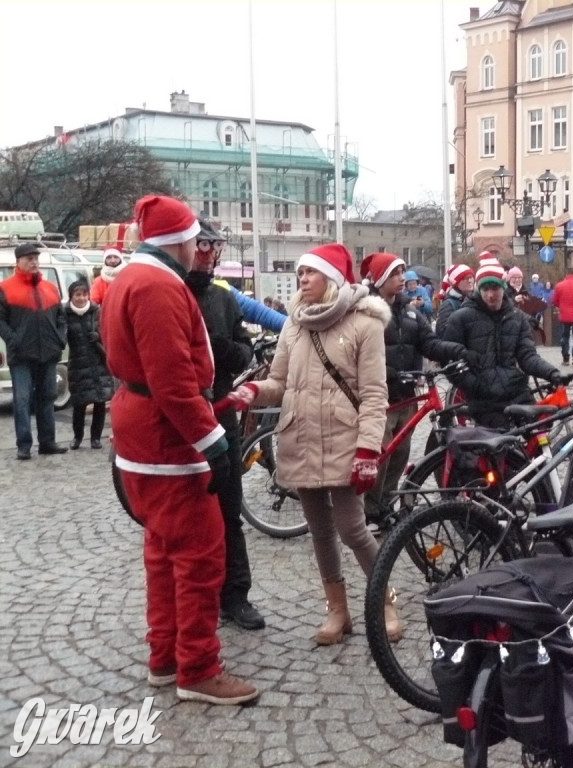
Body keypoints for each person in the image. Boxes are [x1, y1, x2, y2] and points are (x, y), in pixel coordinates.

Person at [102, 194, 258, 705]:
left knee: (162, 552)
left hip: (144, 434)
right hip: (167, 441)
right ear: (177, 241)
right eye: (195, 239)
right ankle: (197, 668)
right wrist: (212, 442)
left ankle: (164, 657)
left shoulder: (132, 277)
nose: (199, 249)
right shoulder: (157, 286)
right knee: (198, 556)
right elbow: (172, 383)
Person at [227, 244, 402, 644]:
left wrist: (368, 450)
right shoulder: (295, 323)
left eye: (310, 272)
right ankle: (336, 611)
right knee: (321, 532)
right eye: (300, 272)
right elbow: (280, 383)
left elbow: (375, 396)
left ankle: (386, 601)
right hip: (300, 436)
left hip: (345, 439)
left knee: (353, 529)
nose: (302, 279)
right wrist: (255, 390)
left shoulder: (365, 323)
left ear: (332, 278)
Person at [185, 220, 265, 631]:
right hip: (181, 415)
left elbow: (244, 348)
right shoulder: (170, 290)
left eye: (213, 247)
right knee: (186, 514)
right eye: (200, 246)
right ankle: (193, 599)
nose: (207, 254)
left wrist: (226, 350)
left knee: (229, 508)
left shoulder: (222, 295)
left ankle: (236, 596)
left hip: (220, 410)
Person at [360, 251, 466, 526]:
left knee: (400, 453)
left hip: (407, 393)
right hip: (379, 395)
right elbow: (359, 354)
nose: (401, 279)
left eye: (402, 273)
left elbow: (429, 342)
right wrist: (388, 373)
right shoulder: (365, 311)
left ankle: (385, 505)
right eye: (395, 274)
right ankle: (368, 510)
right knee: (380, 454)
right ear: (381, 278)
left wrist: (456, 351)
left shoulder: (410, 310)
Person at [442, 260, 562, 428]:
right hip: (485, 400)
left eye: (495, 288)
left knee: (540, 433)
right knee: (503, 448)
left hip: (517, 392)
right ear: (478, 289)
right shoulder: (461, 318)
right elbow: (450, 363)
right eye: (485, 289)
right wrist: (476, 386)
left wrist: (552, 373)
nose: (490, 295)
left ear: (504, 287)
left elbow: (527, 356)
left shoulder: (517, 317)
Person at [0, 242, 68, 460]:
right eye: (29, 258)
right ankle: (24, 445)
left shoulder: (50, 288)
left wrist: (60, 339)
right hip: (21, 355)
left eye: (36, 258)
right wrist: (13, 341)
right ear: (18, 262)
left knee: (47, 397)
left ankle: (47, 442)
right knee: (22, 400)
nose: (34, 262)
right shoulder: (5, 288)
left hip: (48, 353)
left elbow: (61, 318)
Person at [65, 280, 114, 450]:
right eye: (77, 295)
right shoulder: (65, 313)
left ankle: (95, 438)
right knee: (79, 403)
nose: (81, 298)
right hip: (78, 363)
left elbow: (108, 330)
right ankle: (77, 437)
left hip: (97, 362)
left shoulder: (96, 311)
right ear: (71, 296)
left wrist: (99, 336)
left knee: (100, 402)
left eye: (84, 294)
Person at [434, 262, 474, 339]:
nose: (470, 281)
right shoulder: (449, 305)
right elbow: (442, 333)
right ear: (456, 283)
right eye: (466, 278)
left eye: (471, 277)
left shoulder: (475, 300)